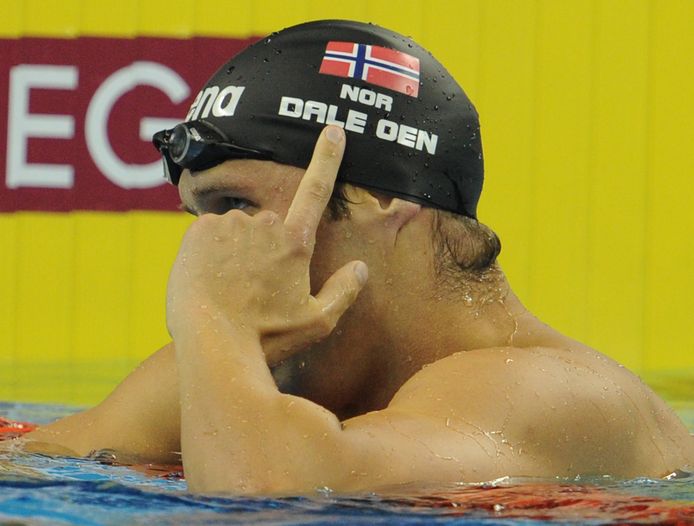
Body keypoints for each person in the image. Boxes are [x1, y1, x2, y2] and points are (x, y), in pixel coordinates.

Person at [19, 20, 693, 494]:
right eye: (202, 222)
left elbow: (263, 501)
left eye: (235, 207)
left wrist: (212, 326)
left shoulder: (548, 393)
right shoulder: (260, 365)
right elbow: (34, 464)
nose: (211, 256)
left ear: (380, 196)